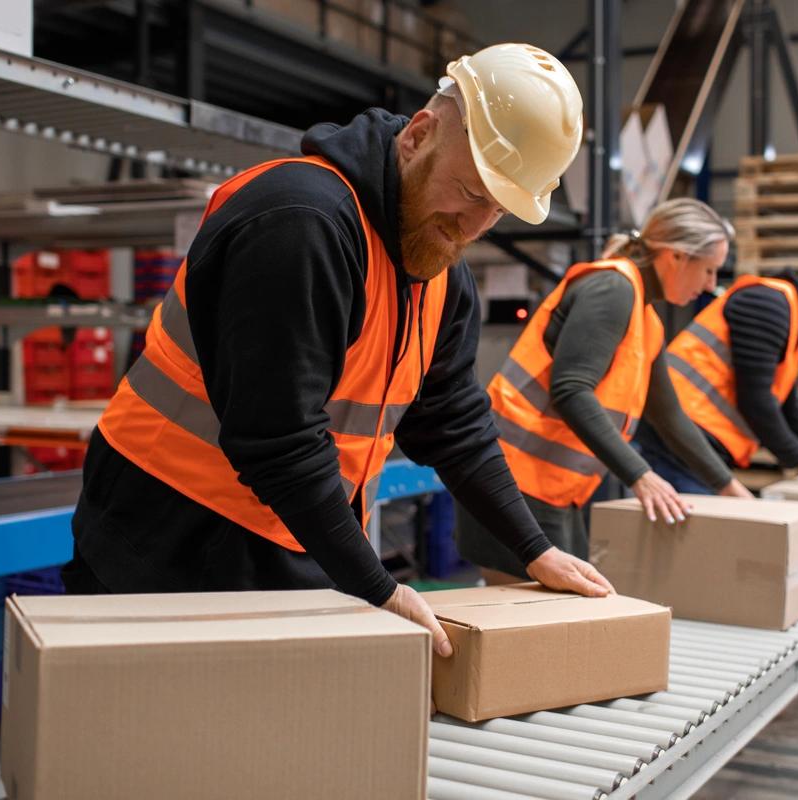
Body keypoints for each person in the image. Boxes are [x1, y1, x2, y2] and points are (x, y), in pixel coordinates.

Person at [60, 43, 614, 659]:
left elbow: (454, 424)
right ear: (419, 136)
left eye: (498, 209)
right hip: (162, 544)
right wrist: (376, 587)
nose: (473, 225)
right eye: (469, 190)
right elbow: (279, 440)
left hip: (286, 538)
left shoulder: (439, 270)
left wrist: (534, 550)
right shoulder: (301, 223)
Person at [456, 198, 753, 584]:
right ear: (676, 257)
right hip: (512, 483)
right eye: (709, 270)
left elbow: (669, 417)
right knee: (526, 625)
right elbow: (572, 389)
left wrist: (729, 487)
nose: (711, 285)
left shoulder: (647, 320)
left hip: (550, 490)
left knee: (564, 616)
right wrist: (640, 475)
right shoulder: (611, 290)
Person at [636, 240, 798, 490]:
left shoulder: (790, 318)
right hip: (677, 435)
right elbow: (755, 400)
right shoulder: (767, 306)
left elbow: (787, 404)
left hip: (691, 437)